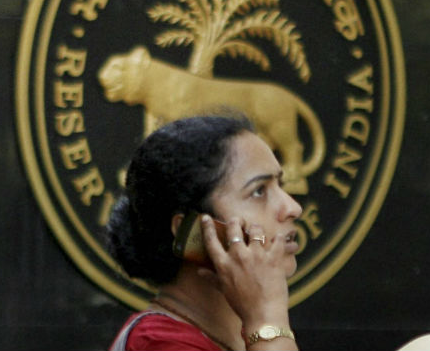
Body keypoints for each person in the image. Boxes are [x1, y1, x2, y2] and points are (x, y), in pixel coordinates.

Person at [106, 114, 302, 351]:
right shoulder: (159, 343)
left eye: (280, 185)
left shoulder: (245, 337)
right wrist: (268, 319)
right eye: (258, 191)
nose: (292, 208)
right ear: (192, 231)